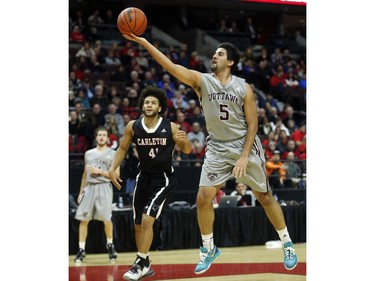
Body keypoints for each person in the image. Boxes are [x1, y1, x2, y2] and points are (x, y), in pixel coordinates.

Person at [121, 33, 298, 273]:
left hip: (243, 144)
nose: (214, 56)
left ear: (231, 62)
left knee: (265, 196)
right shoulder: (201, 81)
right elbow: (170, 66)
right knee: (203, 197)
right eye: (214, 53)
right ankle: (208, 248)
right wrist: (143, 42)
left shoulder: (243, 87)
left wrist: (245, 156)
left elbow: (253, 124)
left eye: (220, 54)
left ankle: (287, 243)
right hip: (216, 146)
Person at [108, 86, 192, 281]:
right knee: (138, 224)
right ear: (142, 105)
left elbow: (187, 150)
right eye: (146, 102)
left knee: (147, 219)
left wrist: (185, 141)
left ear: (160, 107)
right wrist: (112, 168)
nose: (149, 105)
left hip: (163, 179)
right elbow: (122, 149)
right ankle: (145, 263)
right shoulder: (133, 126)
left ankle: (139, 262)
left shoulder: (170, 126)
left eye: (153, 102)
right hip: (143, 178)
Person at [74, 126, 121, 263]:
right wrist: (81, 191)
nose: (101, 137)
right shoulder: (88, 153)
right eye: (99, 135)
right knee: (84, 220)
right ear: (96, 137)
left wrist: (100, 172)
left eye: (104, 135)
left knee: (107, 219)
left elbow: (116, 176)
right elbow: (84, 174)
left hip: (104, 187)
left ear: (107, 138)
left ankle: (110, 246)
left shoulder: (114, 154)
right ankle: (81, 249)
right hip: (89, 188)